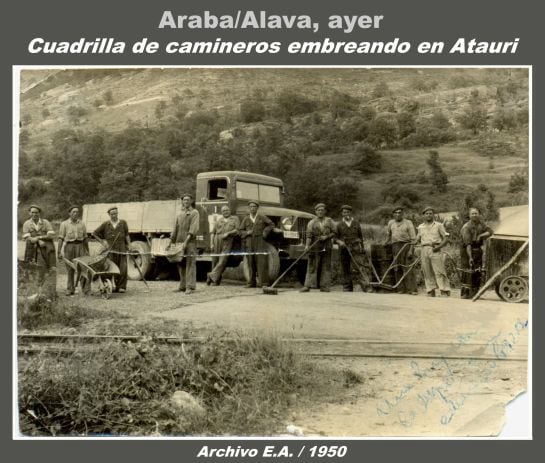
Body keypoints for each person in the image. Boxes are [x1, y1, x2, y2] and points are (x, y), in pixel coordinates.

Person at [415, 206, 451, 297]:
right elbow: (417, 239)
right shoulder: (420, 227)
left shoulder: (439, 225)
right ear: (423, 215)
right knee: (427, 271)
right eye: (426, 214)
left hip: (435, 249)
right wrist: (412, 241)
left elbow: (446, 239)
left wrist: (438, 247)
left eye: (430, 213)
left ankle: (444, 290)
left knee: (439, 270)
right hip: (424, 249)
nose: (429, 215)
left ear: (433, 215)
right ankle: (430, 290)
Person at [300, 203, 336, 292]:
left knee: (326, 265)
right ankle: (307, 285)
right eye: (318, 210)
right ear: (316, 211)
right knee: (312, 265)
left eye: (322, 210)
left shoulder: (329, 221)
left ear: (325, 211)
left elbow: (335, 232)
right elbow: (308, 235)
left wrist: (327, 237)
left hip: (327, 245)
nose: (320, 212)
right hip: (315, 245)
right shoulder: (311, 222)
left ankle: (324, 286)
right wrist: (307, 246)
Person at [94, 206, 130, 293]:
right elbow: (94, 233)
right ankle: (109, 285)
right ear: (109, 215)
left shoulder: (123, 223)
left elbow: (127, 235)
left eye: (116, 214)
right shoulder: (106, 224)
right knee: (110, 268)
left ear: (117, 214)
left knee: (123, 268)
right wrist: (103, 242)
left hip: (121, 249)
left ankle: (121, 287)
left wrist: (129, 245)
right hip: (110, 250)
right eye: (112, 214)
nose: (114, 216)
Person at [21, 205, 57, 295]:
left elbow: (51, 235)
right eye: (32, 212)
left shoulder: (45, 222)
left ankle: (50, 291)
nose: (34, 214)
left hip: (47, 247)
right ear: (29, 213)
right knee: (35, 268)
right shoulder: (26, 224)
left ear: (39, 213)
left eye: (36, 212)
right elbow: (30, 239)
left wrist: (39, 237)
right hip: (32, 249)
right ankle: (36, 291)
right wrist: (38, 240)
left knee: (51, 267)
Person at [335, 205, 372, 292]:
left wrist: (362, 248)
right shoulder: (339, 225)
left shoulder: (356, 223)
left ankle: (366, 286)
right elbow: (335, 238)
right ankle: (347, 287)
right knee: (345, 267)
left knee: (360, 267)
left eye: (348, 212)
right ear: (342, 214)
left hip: (356, 248)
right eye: (344, 212)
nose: (346, 214)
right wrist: (340, 242)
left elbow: (360, 237)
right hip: (344, 249)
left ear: (350, 213)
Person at [239, 201, 275, 288]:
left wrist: (265, 232)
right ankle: (251, 283)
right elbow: (240, 231)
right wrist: (247, 232)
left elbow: (271, 224)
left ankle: (264, 283)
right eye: (251, 207)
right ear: (249, 208)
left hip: (260, 241)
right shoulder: (246, 219)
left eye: (254, 206)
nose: (252, 208)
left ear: (257, 208)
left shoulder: (262, 217)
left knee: (261, 261)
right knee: (250, 261)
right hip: (249, 241)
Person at [460, 207, 494, 299]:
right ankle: (466, 294)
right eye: (473, 213)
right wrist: (470, 257)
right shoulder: (466, 227)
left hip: (478, 250)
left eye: (476, 213)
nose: (475, 215)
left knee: (477, 271)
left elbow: (490, 232)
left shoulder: (481, 224)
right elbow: (468, 244)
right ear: (469, 215)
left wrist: (480, 235)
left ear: (479, 214)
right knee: (468, 271)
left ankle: (476, 294)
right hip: (467, 251)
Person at [170, 194, 200, 294]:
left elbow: (193, 229)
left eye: (188, 200)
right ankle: (182, 285)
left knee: (190, 263)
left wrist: (186, 242)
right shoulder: (180, 213)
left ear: (191, 201)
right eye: (184, 200)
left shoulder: (195, 213)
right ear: (182, 202)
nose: (186, 202)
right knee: (180, 263)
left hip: (190, 242)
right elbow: (175, 228)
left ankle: (190, 286)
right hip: (179, 241)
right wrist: (171, 241)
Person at [58, 206, 90, 296]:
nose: (75, 213)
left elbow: (85, 238)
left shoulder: (82, 224)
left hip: (80, 246)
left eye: (77, 212)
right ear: (69, 213)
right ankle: (70, 289)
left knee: (84, 267)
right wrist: (59, 251)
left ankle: (86, 289)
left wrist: (87, 251)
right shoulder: (64, 224)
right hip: (69, 247)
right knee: (70, 268)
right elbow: (60, 238)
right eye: (73, 212)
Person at [386, 206, 418, 295]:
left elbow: (413, 239)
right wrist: (386, 243)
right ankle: (401, 289)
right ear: (393, 214)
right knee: (397, 267)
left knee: (408, 267)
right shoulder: (391, 223)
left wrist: (411, 250)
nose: (397, 214)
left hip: (406, 246)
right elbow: (388, 235)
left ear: (402, 214)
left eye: (399, 212)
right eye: (395, 213)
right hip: (395, 246)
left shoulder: (408, 223)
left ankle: (412, 289)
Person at [207, 205, 240, 286]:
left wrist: (228, 233)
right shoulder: (219, 220)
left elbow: (238, 230)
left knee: (222, 261)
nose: (225, 212)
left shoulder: (235, 219)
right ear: (221, 212)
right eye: (224, 211)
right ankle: (215, 281)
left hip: (228, 240)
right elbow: (213, 233)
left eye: (227, 210)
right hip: (217, 240)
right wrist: (211, 243)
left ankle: (210, 275)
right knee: (215, 260)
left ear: (230, 211)